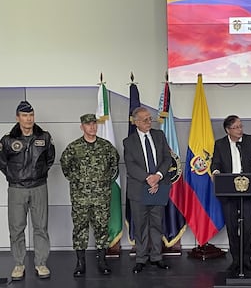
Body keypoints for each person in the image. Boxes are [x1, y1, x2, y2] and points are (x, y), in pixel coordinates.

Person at [0, 101, 55, 280]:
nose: (28, 119)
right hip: (17, 189)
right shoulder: (8, 140)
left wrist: (39, 174)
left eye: (31, 115)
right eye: (24, 115)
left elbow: (50, 159)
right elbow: (2, 162)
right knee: (16, 228)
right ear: (18, 117)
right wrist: (14, 176)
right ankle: (19, 264)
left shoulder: (44, 137)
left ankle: (41, 263)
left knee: (41, 227)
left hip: (39, 187)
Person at [60, 114, 119, 277]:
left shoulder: (106, 147)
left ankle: (102, 261)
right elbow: (65, 166)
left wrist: (104, 183)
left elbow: (114, 166)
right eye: (88, 124)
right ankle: (80, 263)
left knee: (101, 228)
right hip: (81, 198)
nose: (92, 127)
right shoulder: (74, 147)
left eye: (94, 124)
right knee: (80, 229)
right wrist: (78, 182)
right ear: (82, 127)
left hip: (101, 197)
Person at [211, 115, 251, 273]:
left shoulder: (250, 140)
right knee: (232, 226)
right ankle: (236, 259)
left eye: (241, 126)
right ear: (227, 130)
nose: (240, 130)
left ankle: (246, 259)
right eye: (236, 127)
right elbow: (215, 163)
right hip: (228, 191)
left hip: (248, 190)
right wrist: (215, 172)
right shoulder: (220, 144)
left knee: (248, 225)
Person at [123, 107, 171, 274]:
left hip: (159, 185)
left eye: (150, 119)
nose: (149, 122)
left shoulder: (159, 136)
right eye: (145, 120)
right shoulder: (128, 142)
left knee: (157, 224)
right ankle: (141, 258)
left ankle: (157, 257)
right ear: (136, 122)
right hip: (139, 189)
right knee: (141, 226)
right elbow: (131, 165)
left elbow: (167, 158)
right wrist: (148, 178)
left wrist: (157, 176)